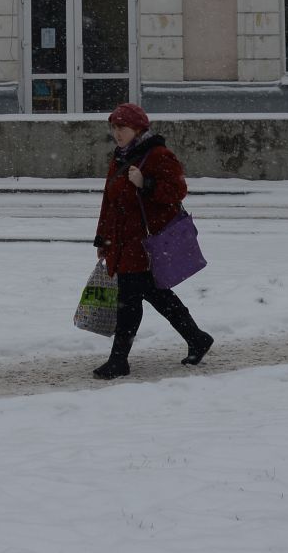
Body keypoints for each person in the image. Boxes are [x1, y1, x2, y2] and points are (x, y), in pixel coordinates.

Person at [90, 103, 213, 380]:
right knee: (158, 295)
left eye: (122, 128)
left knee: (129, 302)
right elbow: (109, 201)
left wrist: (146, 184)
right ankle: (197, 338)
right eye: (114, 128)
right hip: (124, 242)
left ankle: (119, 360)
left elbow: (177, 191)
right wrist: (103, 237)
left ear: (138, 129)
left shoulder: (157, 155)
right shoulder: (120, 157)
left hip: (145, 244)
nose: (117, 133)